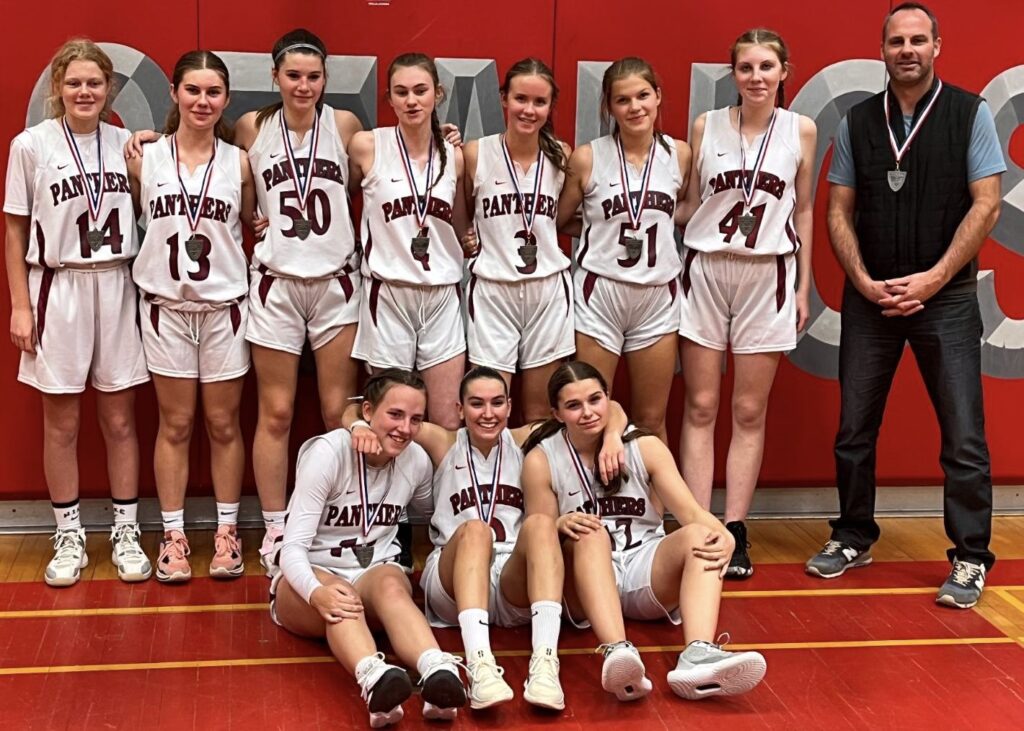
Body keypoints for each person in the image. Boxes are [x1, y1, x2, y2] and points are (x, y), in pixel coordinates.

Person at [806, 2, 1004, 610]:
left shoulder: (971, 113)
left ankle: (969, 556)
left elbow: (987, 204)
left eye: (919, 39)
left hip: (945, 300)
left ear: (938, 45)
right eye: (897, 41)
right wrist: (864, 282)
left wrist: (935, 279)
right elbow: (838, 209)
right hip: (870, 301)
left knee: (963, 437)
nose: (908, 49)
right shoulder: (858, 120)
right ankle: (853, 535)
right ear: (883, 49)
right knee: (853, 431)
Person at [345, 365, 626, 710]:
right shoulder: (443, 441)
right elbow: (357, 408)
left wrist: (613, 436)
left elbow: (608, 408)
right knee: (476, 530)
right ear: (460, 410)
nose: (488, 413)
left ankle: (545, 666)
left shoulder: (526, 439)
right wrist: (358, 425)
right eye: (477, 404)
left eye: (497, 403)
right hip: (453, 577)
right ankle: (479, 667)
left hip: (511, 579)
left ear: (510, 405)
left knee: (540, 523)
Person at [521, 361, 767, 701]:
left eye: (595, 400)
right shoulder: (542, 458)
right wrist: (563, 523)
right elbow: (541, 533)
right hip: (585, 582)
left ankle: (697, 654)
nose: (588, 412)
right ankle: (618, 651)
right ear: (557, 413)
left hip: (644, 567)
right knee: (592, 533)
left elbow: (690, 512)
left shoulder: (644, 446)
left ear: (608, 399)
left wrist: (723, 535)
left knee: (702, 536)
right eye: (573, 406)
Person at [4, 39, 151, 586]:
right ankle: (67, 533)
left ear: (109, 88)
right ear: (57, 89)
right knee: (61, 422)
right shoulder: (31, 145)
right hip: (57, 286)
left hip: (116, 282)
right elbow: (14, 229)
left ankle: (126, 529)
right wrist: (21, 305)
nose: (85, 92)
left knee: (119, 419)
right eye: (74, 83)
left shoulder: (128, 145)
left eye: (94, 83)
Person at [676, 29, 816, 579]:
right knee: (702, 405)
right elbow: (688, 202)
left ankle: (734, 526)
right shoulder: (705, 125)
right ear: (732, 73)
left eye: (766, 66)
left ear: (785, 71)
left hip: (768, 273)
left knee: (749, 411)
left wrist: (803, 287)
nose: (756, 77)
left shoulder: (800, 130)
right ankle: (696, 522)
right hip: (707, 266)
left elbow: (802, 210)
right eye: (745, 67)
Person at [271, 369, 466, 727]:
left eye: (416, 419)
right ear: (366, 413)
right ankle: (375, 679)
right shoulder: (328, 453)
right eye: (395, 415)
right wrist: (317, 593)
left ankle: (437, 670)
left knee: (393, 584)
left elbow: (434, 516)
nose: (405, 429)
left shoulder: (416, 461)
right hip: (307, 583)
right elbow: (291, 550)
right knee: (340, 594)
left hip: (374, 575)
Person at [127, 50, 256, 582]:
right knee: (175, 423)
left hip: (223, 308)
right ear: (175, 94)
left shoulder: (240, 161)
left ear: (225, 99)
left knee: (224, 423)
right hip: (166, 308)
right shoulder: (143, 157)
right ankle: (174, 534)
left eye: (213, 92)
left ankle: (228, 531)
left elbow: (256, 223)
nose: (203, 101)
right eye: (193, 90)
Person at [556, 57, 690, 444]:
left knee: (651, 417)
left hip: (656, 294)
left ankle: (650, 505)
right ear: (609, 107)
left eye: (643, 96)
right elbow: (562, 220)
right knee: (589, 415)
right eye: (623, 100)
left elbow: (685, 213)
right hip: (601, 293)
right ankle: (586, 503)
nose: (635, 107)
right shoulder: (588, 157)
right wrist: (605, 232)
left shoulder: (679, 155)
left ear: (658, 96)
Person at [348, 53, 469, 431]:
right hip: (388, 293)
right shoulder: (366, 146)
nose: (411, 100)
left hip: (441, 295)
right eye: (401, 92)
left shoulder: (455, 156)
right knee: (391, 418)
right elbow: (335, 200)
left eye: (420, 91)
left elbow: (459, 224)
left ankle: (441, 493)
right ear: (389, 99)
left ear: (438, 93)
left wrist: (473, 239)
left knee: (447, 419)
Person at [462, 59, 574, 421]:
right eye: (521, 98)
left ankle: (533, 479)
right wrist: (468, 238)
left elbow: (567, 219)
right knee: (490, 410)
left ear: (550, 106)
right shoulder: (476, 153)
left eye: (539, 102)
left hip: (546, 290)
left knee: (541, 410)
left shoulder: (561, 156)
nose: (529, 109)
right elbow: (460, 213)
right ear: (503, 99)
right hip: (493, 290)